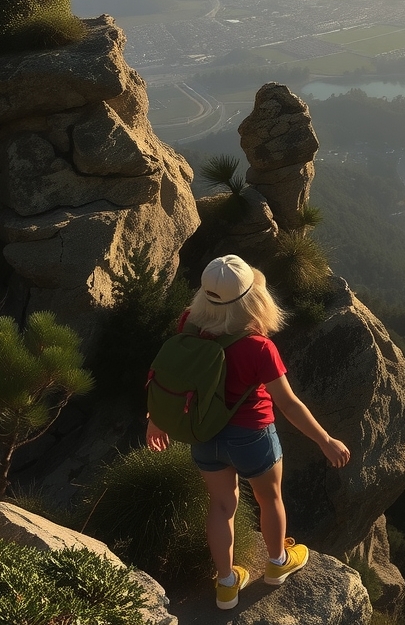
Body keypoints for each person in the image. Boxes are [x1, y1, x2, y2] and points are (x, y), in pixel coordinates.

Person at [146, 254, 350, 610]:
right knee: (269, 499)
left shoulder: (188, 324)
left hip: (204, 434)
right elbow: (288, 405)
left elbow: (176, 380)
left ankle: (226, 585)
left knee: (222, 505)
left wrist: (156, 419)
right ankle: (277, 564)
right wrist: (325, 440)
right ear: (254, 300)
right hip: (252, 435)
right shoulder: (259, 347)